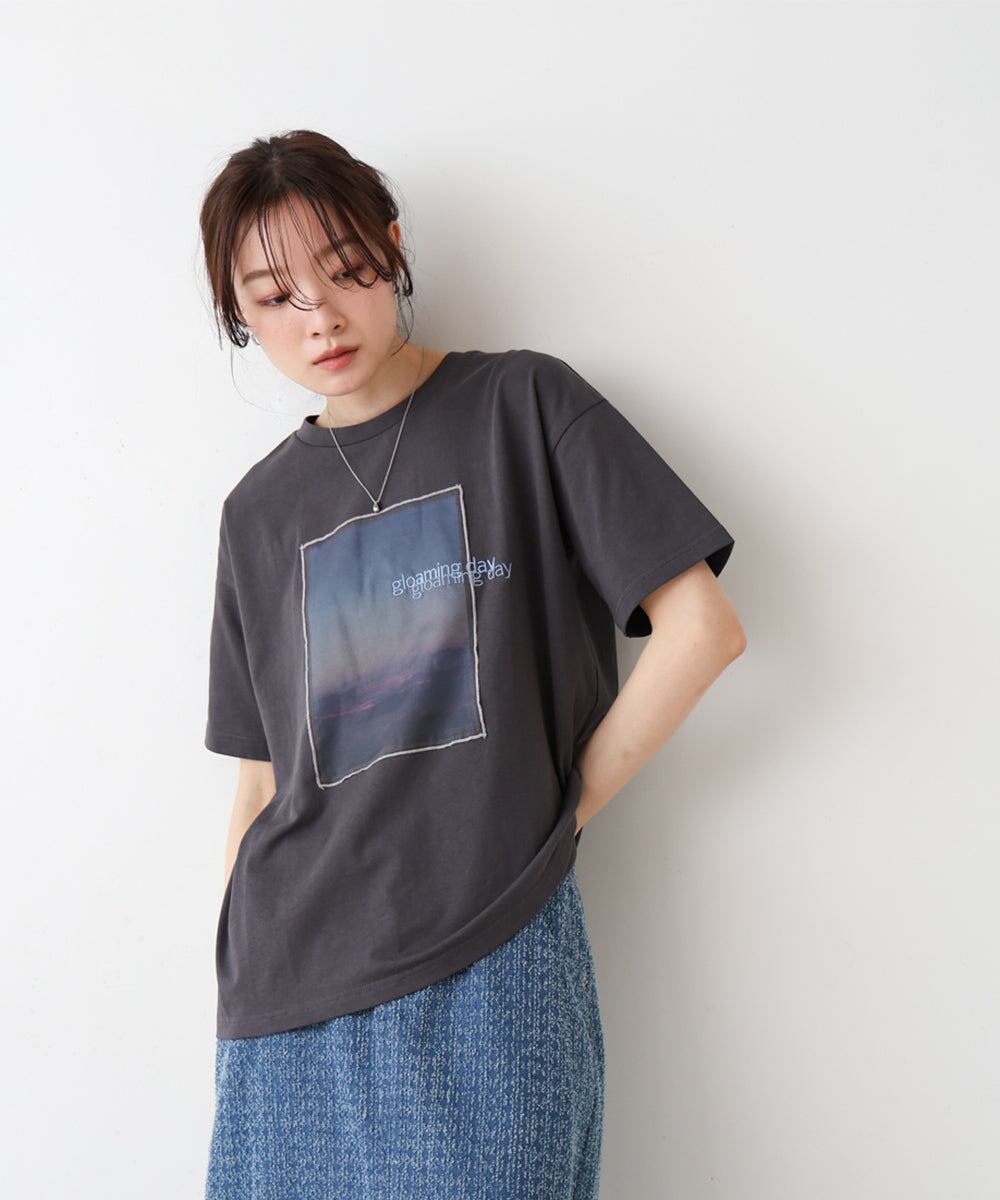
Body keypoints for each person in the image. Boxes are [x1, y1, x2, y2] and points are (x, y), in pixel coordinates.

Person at [197, 129, 745, 1200]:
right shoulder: (257, 514)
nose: (319, 317)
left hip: (490, 950)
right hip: (286, 987)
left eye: (343, 269)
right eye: (272, 297)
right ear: (240, 316)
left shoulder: (525, 407)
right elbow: (260, 783)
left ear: (392, 248)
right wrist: (234, 988)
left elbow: (702, 628)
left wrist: (560, 814)